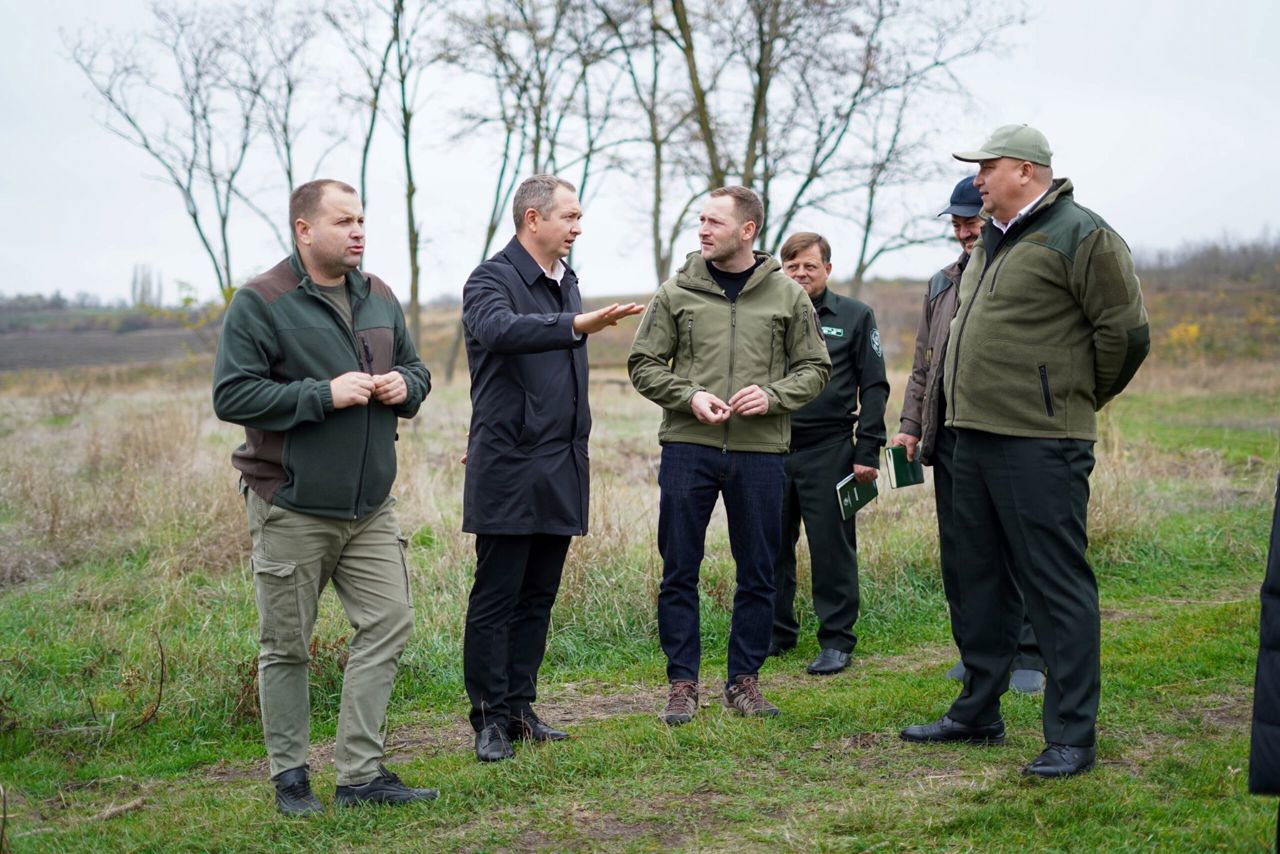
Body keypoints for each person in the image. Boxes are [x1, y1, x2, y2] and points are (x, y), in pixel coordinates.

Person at [899, 125, 1150, 778]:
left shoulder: (1082, 235)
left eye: (986, 167)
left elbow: (1125, 334)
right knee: (974, 581)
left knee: (1055, 587)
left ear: (1025, 171)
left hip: (1040, 445)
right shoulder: (991, 242)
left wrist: (1064, 399)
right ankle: (978, 711)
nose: (977, 180)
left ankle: (1070, 736)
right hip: (966, 442)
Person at [212, 179, 436, 814]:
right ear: (305, 230)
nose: (358, 231)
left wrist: (404, 386)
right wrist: (321, 395)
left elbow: (419, 371)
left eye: (362, 219)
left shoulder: (380, 295)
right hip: (292, 506)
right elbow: (232, 395)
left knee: (389, 625)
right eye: (344, 221)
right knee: (286, 646)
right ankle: (290, 780)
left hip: (371, 509)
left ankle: (360, 775)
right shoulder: (261, 302)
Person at [628, 186, 831, 724]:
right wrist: (688, 395)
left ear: (748, 230)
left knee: (760, 570)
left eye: (714, 221)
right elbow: (643, 363)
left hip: (761, 451)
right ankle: (682, 684)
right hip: (688, 448)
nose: (702, 230)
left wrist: (773, 396)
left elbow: (816, 369)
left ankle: (744, 681)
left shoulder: (789, 296)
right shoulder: (675, 293)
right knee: (679, 569)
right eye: (700, 220)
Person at [461, 174, 643, 762]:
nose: (578, 227)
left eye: (579, 217)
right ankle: (487, 720)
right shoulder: (490, 279)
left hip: (562, 463)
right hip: (510, 465)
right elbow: (497, 330)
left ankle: (519, 708)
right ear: (532, 220)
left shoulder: (567, 281)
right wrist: (575, 325)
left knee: (539, 595)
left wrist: (574, 317)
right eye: (568, 216)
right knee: (498, 596)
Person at [888, 177, 1046, 695]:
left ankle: (1027, 654)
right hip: (949, 441)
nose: (963, 231)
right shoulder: (940, 283)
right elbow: (922, 368)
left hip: (1004, 434)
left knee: (1013, 548)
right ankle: (978, 654)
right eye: (956, 223)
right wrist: (910, 428)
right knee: (964, 554)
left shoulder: (1013, 271)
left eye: (970, 220)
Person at [768, 232, 888, 675]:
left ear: (828, 270)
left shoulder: (855, 316)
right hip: (771, 449)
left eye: (810, 267)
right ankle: (777, 633)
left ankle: (836, 640)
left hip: (830, 451)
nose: (801, 274)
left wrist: (868, 450)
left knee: (832, 549)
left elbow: (874, 386)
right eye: (792, 266)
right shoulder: (769, 312)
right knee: (770, 547)